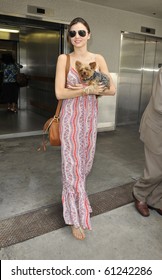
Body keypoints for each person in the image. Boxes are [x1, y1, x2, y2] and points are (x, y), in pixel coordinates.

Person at [55, 17, 116, 240]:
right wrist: (87, 89)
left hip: (90, 120)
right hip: (70, 119)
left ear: (89, 35)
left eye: (81, 33)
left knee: (85, 165)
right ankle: (74, 217)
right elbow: (60, 93)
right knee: (71, 167)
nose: (77, 37)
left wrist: (85, 87)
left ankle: (81, 203)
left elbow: (111, 89)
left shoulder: (97, 59)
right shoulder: (64, 59)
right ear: (69, 37)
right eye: (72, 33)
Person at [132, 67, 162, 217]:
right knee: (155, 169)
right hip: (157, 127)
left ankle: (156, 200)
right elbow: (159, 104)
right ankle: (139, 194)